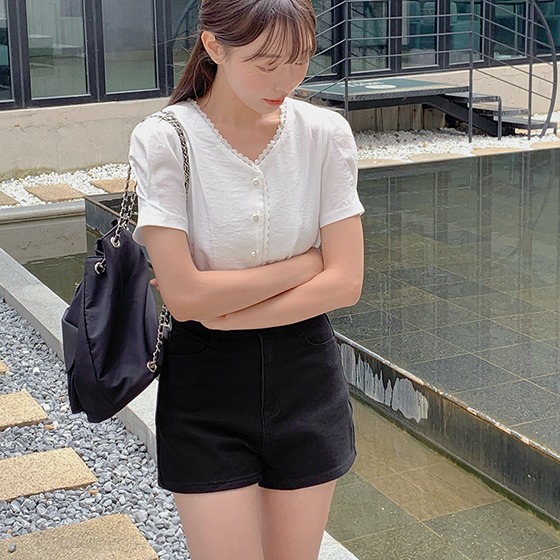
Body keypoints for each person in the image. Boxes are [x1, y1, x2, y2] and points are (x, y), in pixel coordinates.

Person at [128, 0, 364, 558]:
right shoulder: (165, 138)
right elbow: (185, 296)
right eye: (266, 63)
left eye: (300, 60)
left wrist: (224, 312)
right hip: (206, 385)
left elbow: (346, 282)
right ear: (215, 46)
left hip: (306, 374)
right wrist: (305, 265)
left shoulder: (325, 133)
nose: (286, 80)